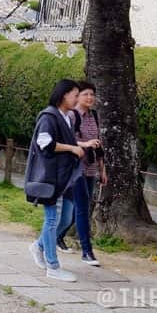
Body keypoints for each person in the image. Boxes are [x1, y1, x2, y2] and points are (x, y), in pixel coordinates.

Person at [26, 79, 92, 282]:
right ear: (64, 95)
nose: (77, 98)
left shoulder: (67, 117)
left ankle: (38, 246)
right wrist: (72, 148)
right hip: (51, 176)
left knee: (66, 218)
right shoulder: (49, 116)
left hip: (66, 177)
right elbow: (44, 143)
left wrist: (78, 146)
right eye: (75, 94)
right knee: (52, 219)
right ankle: (53, 265)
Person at [57, 81, 107, 265]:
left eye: (92, 94)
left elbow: (98, 143)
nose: (90, 98)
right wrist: (84, 144)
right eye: (86, 94)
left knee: (77, 207)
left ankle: (58, 236)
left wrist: (103, 169)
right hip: (75, 168)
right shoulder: (71, 116)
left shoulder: (93, 115)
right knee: (82, 208)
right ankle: (87, 251)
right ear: (77, 96)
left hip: (91, 168)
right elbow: (66, 140)